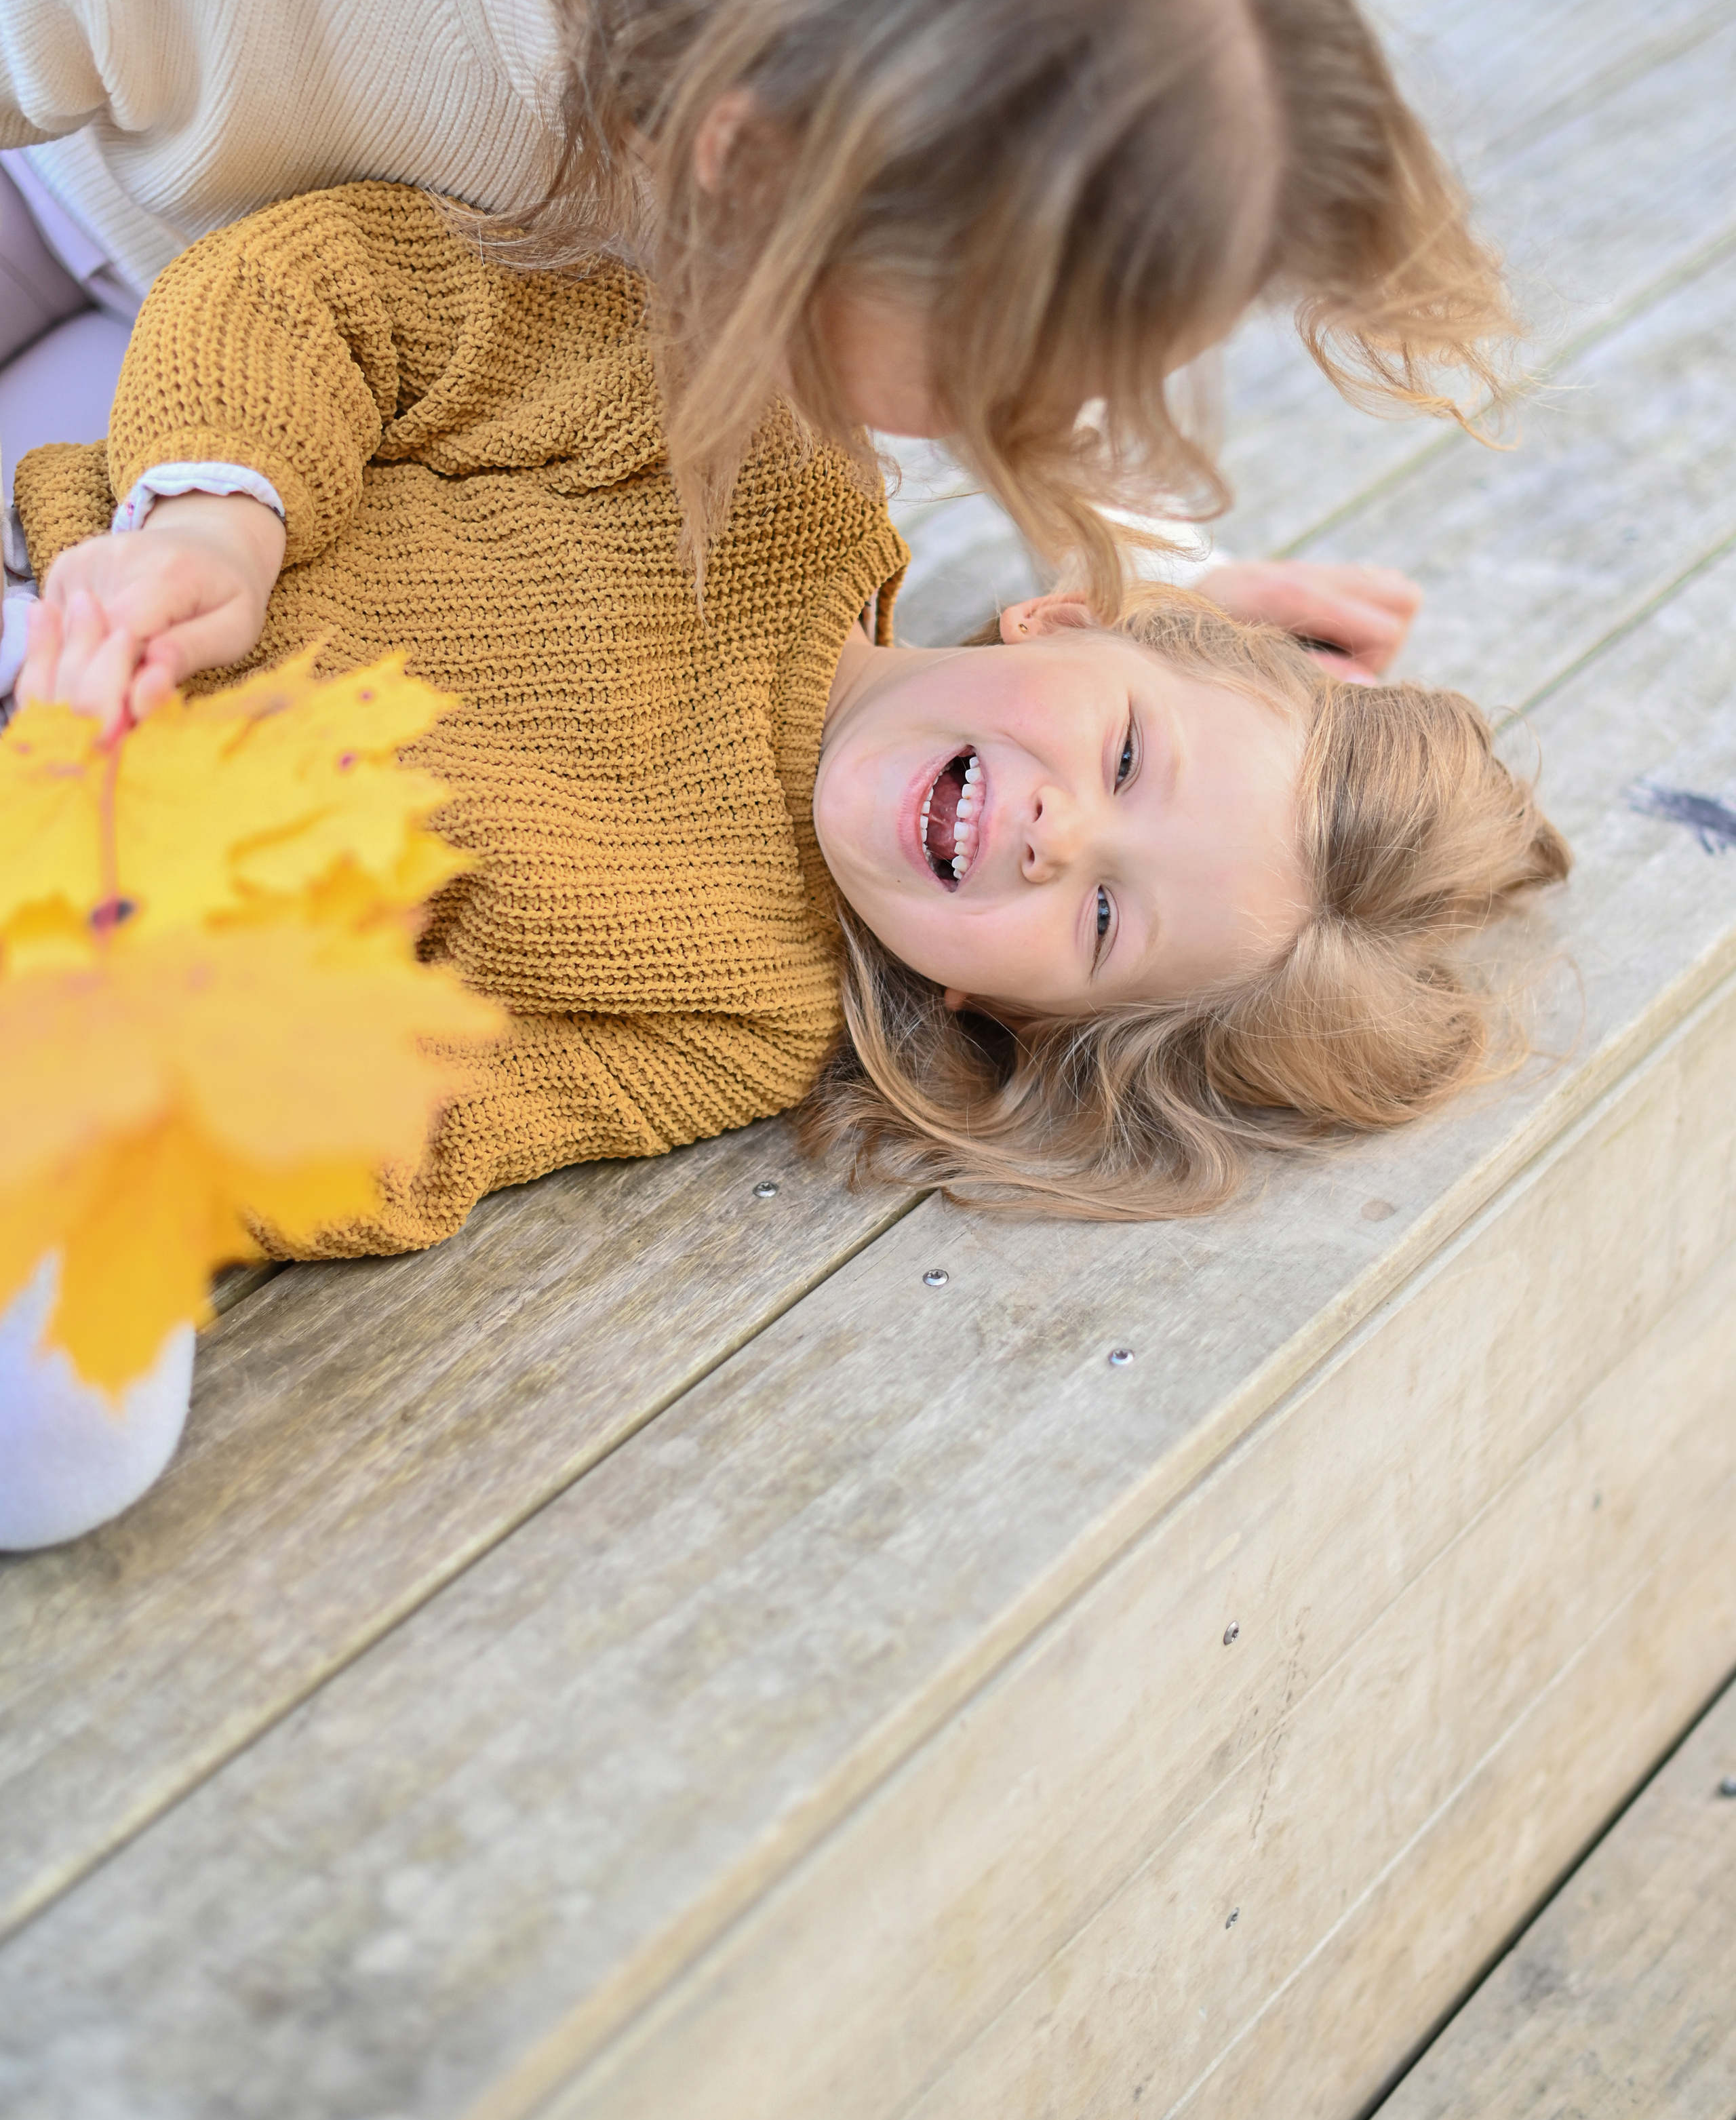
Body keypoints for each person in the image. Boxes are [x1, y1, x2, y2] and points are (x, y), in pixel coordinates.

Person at [1, 180, 1566, 1544]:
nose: (1054, 828)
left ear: (997, 1015)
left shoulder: (745, 1016)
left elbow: (403, 1143)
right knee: (112, 345)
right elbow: (342, 283)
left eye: (1102, 913)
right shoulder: (767, 468)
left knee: (78, 1449)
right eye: (1126, 758)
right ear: (1062, 614)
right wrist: (218, 528)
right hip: (62, 594)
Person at [0, 0, 1496, 665]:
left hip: (295, 371)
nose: (1045, 428)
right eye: (1011, 387)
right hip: (58, 179)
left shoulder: (881, 49)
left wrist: (1153, 583)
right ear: (751, 168)